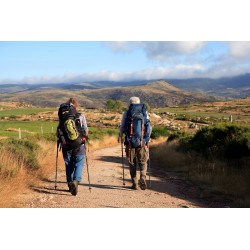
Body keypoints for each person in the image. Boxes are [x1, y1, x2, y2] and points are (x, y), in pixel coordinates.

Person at [56, 98, 88, 196]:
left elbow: (57, 133)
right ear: (76, 107)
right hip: (79, 145)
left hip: (66, 146)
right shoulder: (81, 116)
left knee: (68, 165)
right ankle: (76, 181)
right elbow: (86, 130)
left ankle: (70, 185)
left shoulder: (62, 118)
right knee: (78, 163)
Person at [119, 97, 151, 190]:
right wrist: (147, 138)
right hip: (142, 142)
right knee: (143, 161)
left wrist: (121, 135)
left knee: (132, 162)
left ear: (130, 103)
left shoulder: (127, 113)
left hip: (130, 142)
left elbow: (122, 126)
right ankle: (143, 177)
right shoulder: (144, 113)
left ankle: (135, 183)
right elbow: (148, 126)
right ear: (139, 103)